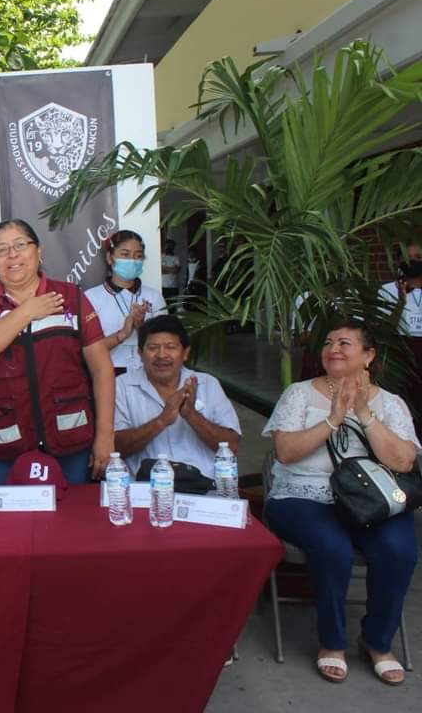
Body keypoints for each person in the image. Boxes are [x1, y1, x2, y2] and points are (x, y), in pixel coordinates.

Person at [262, 320, 418, 686]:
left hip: (373, 501)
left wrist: (363, 413)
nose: (333, 348)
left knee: (399, 550)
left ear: (369, 356)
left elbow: (403, 462)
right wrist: (333, 418)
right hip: (303, 495)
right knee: (333, 549)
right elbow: (284, 453)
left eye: (345, 343)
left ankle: (377, 642)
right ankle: (331, 641)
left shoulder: (391, 403)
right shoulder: (298, 394)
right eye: (329, 342)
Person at [0, 219, 115, 485]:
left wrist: (105, 435)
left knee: (75, 520)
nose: (12, 255)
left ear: (38, 251)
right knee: (6, 524)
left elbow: (102, 369)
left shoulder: (70, 297)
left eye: (20, 245)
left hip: (71, 441)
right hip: (3, 444)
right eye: (1, 250)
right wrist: (27, 312)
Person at [114, 316, 240, 476]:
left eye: (170, 347)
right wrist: (162, 420)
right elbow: (114, 448)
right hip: (146, 489)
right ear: (140, 353)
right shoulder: (121, 386)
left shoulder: (208, 384)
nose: (161, 355)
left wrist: (191, 415)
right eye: (153, 348)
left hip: (204, 490)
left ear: (185, 353)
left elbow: (232, 447)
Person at [83, 229, 167, 375]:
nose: (132, 261)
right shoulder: (91, 297)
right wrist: (122, 334)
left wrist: (141, 326)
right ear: (110, 258)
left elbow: (165, 342)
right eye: (125, 254)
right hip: (107, 373)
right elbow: (86, 348)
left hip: (147, 373)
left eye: (138, 256)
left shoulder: (154, 297)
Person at [378, 241, 422, 439]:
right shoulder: (386, 290)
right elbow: (385, 329)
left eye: (418, 259)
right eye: (407, 259)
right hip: (400, 351)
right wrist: (400, 302)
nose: (412, 263)